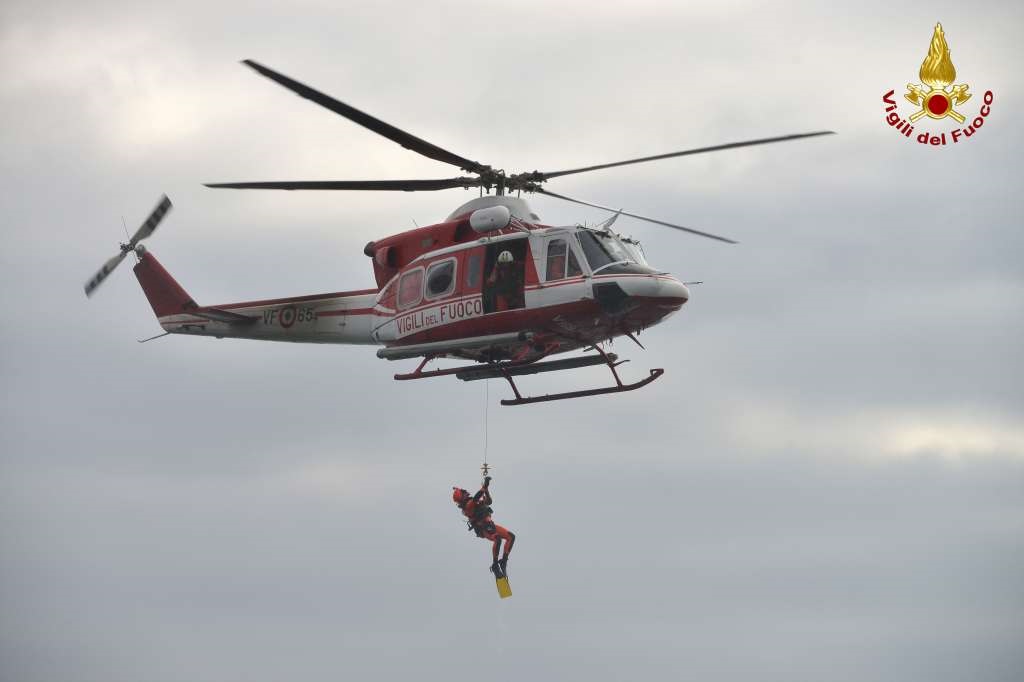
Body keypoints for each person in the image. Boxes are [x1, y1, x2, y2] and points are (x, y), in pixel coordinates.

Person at [452, 476, 516, 575]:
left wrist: (486, 490)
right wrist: (485, 486)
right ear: (462, 496)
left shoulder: (473, 502)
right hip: (483, 528)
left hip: (490, 525)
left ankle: (503, 562)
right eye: (464, 493)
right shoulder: (468, 506)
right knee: (497, 539)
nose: (466, 493)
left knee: (511, 537)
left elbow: (489, 501)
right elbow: (478, 496)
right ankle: (495, 565)